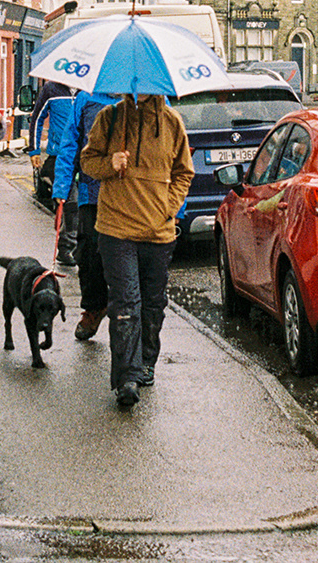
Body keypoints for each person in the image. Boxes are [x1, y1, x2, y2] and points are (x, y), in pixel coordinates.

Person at [79, 93, 194, 410]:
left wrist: (167, 208)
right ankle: (126, 378)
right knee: (126, 301)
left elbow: (184, 172)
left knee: (152, 302)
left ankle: (145, 363)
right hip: (116, 228)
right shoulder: (109, 117)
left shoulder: (171, 122)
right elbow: (87, 162)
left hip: (158, 230)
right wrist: (108, 163)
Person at [51, 88, 112, 340]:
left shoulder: (147, 95)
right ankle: (94, 307)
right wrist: (62, 186)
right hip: (92, 192)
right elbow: (70, 144)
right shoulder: (87, 97)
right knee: (88, 255)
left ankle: (130, 315)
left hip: (132, 197)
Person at [27, 78, 78, 265]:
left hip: (83, 154)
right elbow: (37, 118)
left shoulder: (87, 89)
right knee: (70, 202)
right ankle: (66, 248)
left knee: (83, 203)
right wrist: (34, 150)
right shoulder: (52, 88)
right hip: (59, 155)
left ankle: (77, 244)